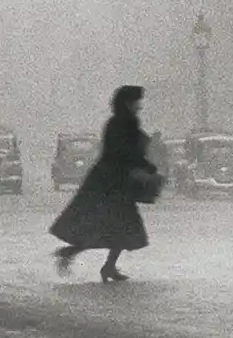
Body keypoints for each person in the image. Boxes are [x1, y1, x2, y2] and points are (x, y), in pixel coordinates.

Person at [49, 85, 156, 284]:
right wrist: (144, 165)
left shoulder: (118, 123)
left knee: (115, 226)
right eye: (136, 102)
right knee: (115, 226)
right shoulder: (122, 124)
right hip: (112, 183)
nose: (139, 106)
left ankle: (97, 262)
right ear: (127, 103)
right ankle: (86, 258)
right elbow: (122, 152)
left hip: (110, 180)